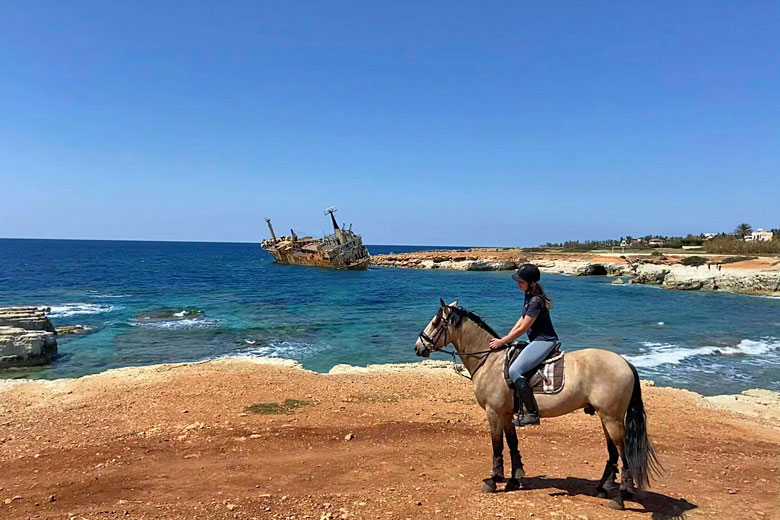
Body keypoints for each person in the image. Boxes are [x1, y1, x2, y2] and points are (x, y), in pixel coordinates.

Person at [488, 264, 559, 427]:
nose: (518, 283)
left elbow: (525, 327)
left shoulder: (535, 301)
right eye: (518, 281)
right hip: (536, 340)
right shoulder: (529, 296)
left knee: (514, 370)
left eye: (521, 281)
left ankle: (532, 413)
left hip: (544, 340)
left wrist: (503, 341)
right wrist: (506, 337)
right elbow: (521, 320)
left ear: (532, 283)